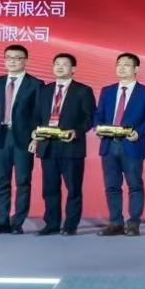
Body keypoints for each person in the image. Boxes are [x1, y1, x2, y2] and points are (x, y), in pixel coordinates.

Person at [0, 44, 43, 234]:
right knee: (1, 181)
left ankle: (17, 223)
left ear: (25, 61)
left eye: (17, 58)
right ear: (5, 60)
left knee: (23, 181)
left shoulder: (35, 84)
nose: (12, 61)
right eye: (9, 58)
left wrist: (37, 138)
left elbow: (39, 114)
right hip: (0, 137)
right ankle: (1, 221)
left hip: (23, 138)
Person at [94, 53, 145, 236]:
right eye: (119, 64)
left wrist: (139, 132)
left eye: (126, 65)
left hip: (132, 144)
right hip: (109, 145)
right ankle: (115, 222)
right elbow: (98, 114)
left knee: (134, 185)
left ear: (136, 69)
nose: (121, 68)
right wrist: (97, 127)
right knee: (112, 186)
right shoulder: (107, 91)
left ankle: (133, 224)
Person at [30, 53, 95, 235]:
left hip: (71, 146)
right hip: (47, 145)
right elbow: (36, 116)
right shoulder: (44, 90)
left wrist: (77, 132)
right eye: (56, 64)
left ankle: (70, 225)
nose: (59, 67)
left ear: (73, 69)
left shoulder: (83, 90)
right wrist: (35, 135)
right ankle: (51, 224)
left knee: (73, 189)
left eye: (64, 64)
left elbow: (89, 118)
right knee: (49, 188)